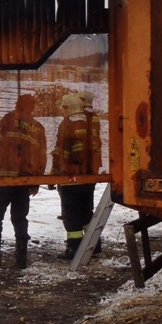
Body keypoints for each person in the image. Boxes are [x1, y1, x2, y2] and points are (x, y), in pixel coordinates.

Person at [0, 94, 47, 269]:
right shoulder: (37, 127)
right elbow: (41, 157)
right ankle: (21, 258)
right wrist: (35, 181)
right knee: (20, 217)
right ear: (32, 107)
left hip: (4, 177)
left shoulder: (8, 119)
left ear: (18, 105)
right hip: (24, 180)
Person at [50, 93, 102, 259]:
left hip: (70, 176)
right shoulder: (90, 121)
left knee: (70, 212)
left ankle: (74, 248)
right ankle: (94, 245)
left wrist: (54, 174)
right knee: (86, 211)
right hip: (88, 175)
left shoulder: (67, 124)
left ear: (67, 108)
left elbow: (61, 152)